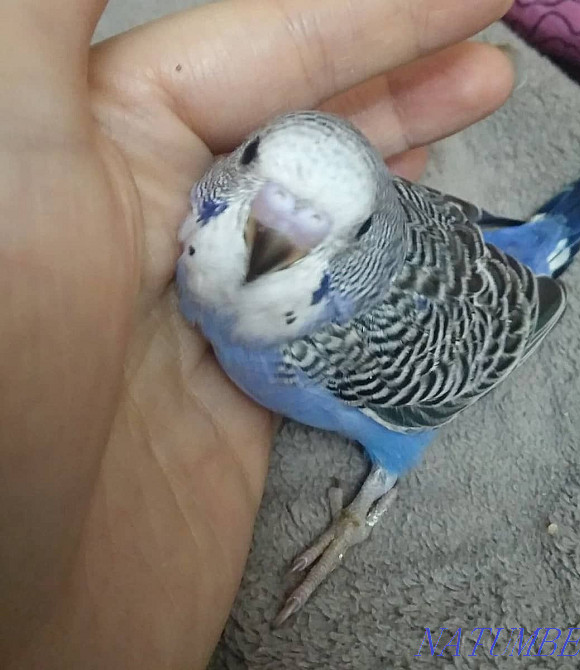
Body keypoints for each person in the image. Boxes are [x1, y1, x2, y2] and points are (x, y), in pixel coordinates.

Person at [0, 0, 514, 666]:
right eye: (257, 173)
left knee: (392, 449)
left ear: (367, 241)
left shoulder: (355, 340)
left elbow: (441, 374)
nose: (275, 234)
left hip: (473, 285)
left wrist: (353, 521)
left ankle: (363, 512)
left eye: (337, 230)